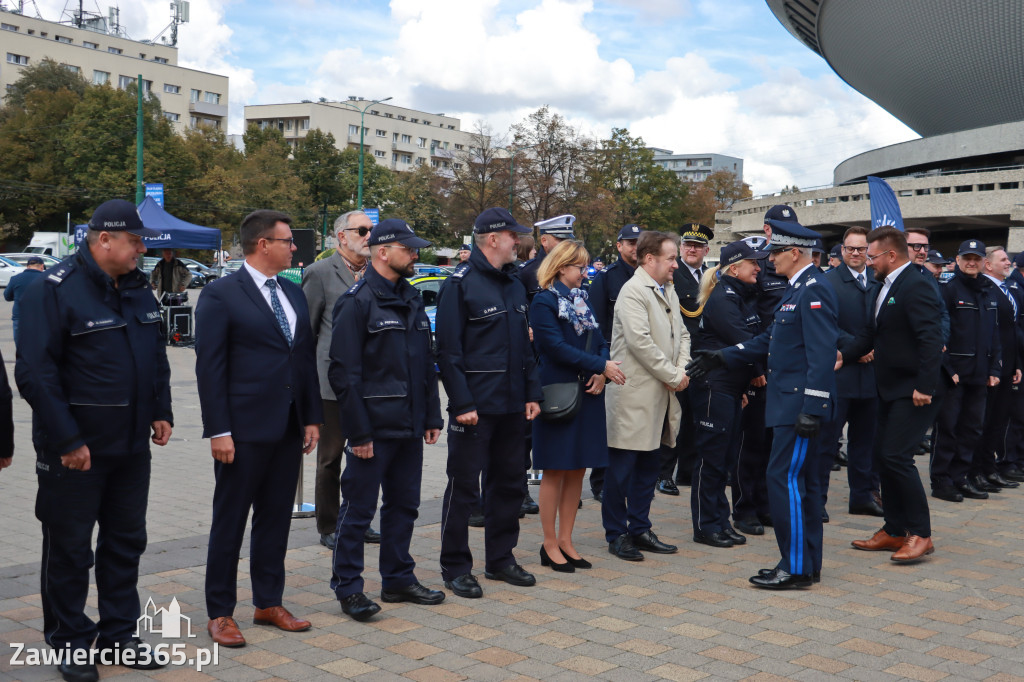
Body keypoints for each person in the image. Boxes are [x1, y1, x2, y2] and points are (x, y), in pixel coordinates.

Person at [15, 199, 173, 682]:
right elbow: (36, 374)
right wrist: (67, 439)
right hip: (76, 451)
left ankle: (121, 635)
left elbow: (155, 355)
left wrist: (162, 410)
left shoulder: (139, 288)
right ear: (104, 239)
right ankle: (69, 641)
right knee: (69, 548)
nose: (142, 250)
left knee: (126, 544)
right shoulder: (53, 289)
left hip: (130, 448)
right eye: (135, 241)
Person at [687, 218, 839, 589]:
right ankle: (804, 562)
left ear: (794, 252)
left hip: (798, 405)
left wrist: (813, 407)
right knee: (795, 483)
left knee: (786, 481)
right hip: (788, 404)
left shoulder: (814, 289)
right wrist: (723, 356)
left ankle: (797, 567)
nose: (770, 260)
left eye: (774, 253)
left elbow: (821, 355)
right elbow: (769, 339)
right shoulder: (797, 288)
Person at [195, 209, 322, 648]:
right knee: (230, 522)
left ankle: (269, 601)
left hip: (287, 427)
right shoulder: (220, 294)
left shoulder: (293, 293)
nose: (295, 247)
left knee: (274, 520)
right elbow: (210, 369)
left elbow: (302, 360)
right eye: (288, 241)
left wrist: (310, 417)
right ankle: (220, 612)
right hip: (242, 430)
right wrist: (218, 430)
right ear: (263, 244)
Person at [328, 219, 446, 621]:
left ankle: (397, 579)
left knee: (404, 506)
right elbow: (344, 374)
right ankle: (349, 588)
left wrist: (432, 414)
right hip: (373, 429)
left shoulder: (411, 298)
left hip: (410, 425)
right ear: (382, 251)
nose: (416, 254)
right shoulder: (357, 301)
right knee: (358, 511)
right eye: (408, 248)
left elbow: (427, 364)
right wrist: (358, 431)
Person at [435, 207, 542, 599]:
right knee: (464, 489)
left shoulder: (514, 283)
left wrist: (532, 393)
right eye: (515, 236)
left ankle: (501, 558)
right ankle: (455, 566)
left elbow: (525, 347)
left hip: (513, 404)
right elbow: (448, 352)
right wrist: (461, 402)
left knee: (509, 484)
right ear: (493, 238)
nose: (520, 242)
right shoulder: (459, 284)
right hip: (475, 407)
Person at [846, 226, 944, 563]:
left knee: (897, 457)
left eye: (872, 256)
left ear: (891, 255)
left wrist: (925, 386)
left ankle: (921, 534)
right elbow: (870, 334)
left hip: (914, 389)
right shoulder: (885, 285)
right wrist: (842, 356)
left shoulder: (916, 283)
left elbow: (931, 339)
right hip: (889, 388)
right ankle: (894, 530)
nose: (868, 262)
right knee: (882, 456)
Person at [530, 240, 626, 572]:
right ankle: (548, 542)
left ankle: (567, 540)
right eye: (579, 267)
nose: (584, 273)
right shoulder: (544, 300)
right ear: (561, 268)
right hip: (559, 394)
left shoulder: (580, 298)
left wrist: (602, 371)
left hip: (587, 392)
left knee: (578, 468)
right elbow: (553, 347)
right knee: (555, 468)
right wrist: (599, 366)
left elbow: (598, 340)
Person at [604, 230, 690, 561]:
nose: (676, 265)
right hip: (634, 397)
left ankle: (639, 527)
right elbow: (640, 344)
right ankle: (616, 533)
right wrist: (673, 375)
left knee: (648, 468)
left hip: (661, 393)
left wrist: (681, 371)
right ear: (649, 259)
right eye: (671, 258)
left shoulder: (666, 289)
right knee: (621, 470)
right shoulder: (632, 292)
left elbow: (682, 334)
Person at [301, 210, 381, 549]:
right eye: (362, 230)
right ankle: (329, 525)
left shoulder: (379, 272)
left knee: (367, 457)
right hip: (331, 383)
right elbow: (305, 333)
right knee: (331, 458)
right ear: (341, 237)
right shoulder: (319, 273)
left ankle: (359, 520)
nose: (369, 236)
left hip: (372, 384)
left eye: (372, 230)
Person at [689, 240, 764, 549]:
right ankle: (706, 525)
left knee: (726, 457)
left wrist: (745, 384)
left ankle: (719, 520)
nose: (759, 268)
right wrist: (757, 370)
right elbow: (745, 341)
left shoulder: (738, 296)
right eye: (753, 263)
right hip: (713, 387)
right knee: (712, 459)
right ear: (735, 268)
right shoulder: (724, 298)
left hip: (730, 388)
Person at [733, 205, 797, 536]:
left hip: (786, 372)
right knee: (753, 443)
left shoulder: (793, 268)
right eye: (775, 229)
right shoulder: (756, 268)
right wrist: (755, 366)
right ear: (766, 230)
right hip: (760, 370)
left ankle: (767, 504)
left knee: (775, 444)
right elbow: (746, 324)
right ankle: (745, 508)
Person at [931, 239, 1002, 502]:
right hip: (954, 376)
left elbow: (994, 334)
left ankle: (960, 478)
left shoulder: (988, 291)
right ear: (958, 261)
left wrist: (995, 367)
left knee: (972, 429)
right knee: (948, 429)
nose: (971, 263)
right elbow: (940, 334)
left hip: (980, 374)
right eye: (966, 258)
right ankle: (941, 481)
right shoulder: (948, 290)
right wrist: (948, 367)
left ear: (984, 262)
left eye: (976, 258)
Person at [821, 226, 884, 518]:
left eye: (861, 249)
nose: (856, 254)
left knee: (866, 443)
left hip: (871, 376)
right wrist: (856, 348)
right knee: (825, 443)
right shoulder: (828, 282)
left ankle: (863, 496)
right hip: (841, 372)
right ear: (842, 250)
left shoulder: (879, 280)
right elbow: (825, 323)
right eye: (851, 248)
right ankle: (816, 500)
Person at [587, 224, 642, 502]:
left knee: (630, 421)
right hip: (613, 360)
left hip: (641, 362)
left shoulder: (647, 276)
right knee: (608, 422)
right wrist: (602, 362)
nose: (635, 247)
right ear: (619, 246)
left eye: (638, 242)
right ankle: (600, 481)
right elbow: (595, 323)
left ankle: (628, 477)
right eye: (630, 243)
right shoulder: (607, 277)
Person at [661, 223, 711, 496]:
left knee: (695, 418)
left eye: (697, 246)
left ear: (706, 250)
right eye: (687, 245)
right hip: (678, 356)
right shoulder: (671, 275)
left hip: (703, 356)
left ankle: (688, 472)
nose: (691, 250)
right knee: (674, 418)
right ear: (681, 248)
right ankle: (664, 474)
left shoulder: (711, 277)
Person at [970, 246, 1022, 490]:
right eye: (1003, 259)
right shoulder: (985, 288)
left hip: (1008, 365)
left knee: (998, 421)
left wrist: (1016, 365)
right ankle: (976, 470)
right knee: (985, 420)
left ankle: (990, 468)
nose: (1008, 263)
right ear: (988, 265)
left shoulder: (1007, 290)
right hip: (992, 366)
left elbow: (1012, 330)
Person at [519, 214, 576, 301]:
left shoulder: (575, 270)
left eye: (568, 240)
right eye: (560, 240)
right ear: (544, 241)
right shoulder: (527, 272)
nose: (566, 245)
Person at [4, 255, 46, 344]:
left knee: (21, 346)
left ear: (27, 267)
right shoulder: (47, 278)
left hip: (20, 317)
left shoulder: (15, 278)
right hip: (41, 318)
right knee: (39, 346)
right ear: (42, 266)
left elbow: (7, 297)